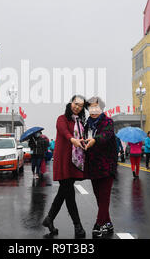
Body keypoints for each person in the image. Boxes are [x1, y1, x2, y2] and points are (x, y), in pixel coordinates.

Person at [42, 95, 86, 239]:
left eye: (80, 105)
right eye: (75, 103)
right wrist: (72, 139)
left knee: (63, 193)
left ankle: (49, 219)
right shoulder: (62, 118)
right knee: (69, 194)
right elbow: (64, 132)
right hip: (63, 161)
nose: (77, 107)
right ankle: (78, 225)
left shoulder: (80, 122)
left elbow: (82, 137)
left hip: (74, 161)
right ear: (70, 103)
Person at [83, 96, 117, 238]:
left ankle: (98, 224)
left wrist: (94, 140)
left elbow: (106, 136)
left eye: (96, 107)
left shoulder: (107, 121)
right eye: (91, 108)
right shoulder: (87, 125)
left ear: (101, 108)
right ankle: (108, 223)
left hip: (107, 164)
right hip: (93, 165)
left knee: (104, 196)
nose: (94, 110)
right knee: (98, 196)